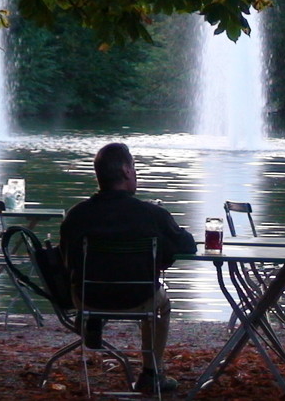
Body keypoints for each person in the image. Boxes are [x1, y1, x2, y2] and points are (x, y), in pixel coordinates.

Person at [60, 142, 196, 393]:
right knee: (161, 304)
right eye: (134, 168)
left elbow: (67, 261)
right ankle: (151, 372)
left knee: (88, 284)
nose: (135, 173)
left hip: (88, 298)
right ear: (125, 170)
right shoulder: (151, 214)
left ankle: (93, 320)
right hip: (140, 298)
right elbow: (187, 247)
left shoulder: (77, 215)